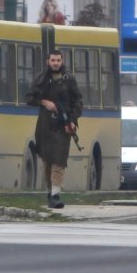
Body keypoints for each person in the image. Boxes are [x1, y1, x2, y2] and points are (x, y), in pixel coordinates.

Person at [26, 49, 82, 209]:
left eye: (58, 60)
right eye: (53, 60)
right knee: (47, 161)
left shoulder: (69, 80)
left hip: (63, 126)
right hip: (45, 126)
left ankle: (56, 194)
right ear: (48, 62)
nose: (56, 63)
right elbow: (30, 98)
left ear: (62, 61)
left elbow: (77, 102)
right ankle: (50, 192)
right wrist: (44, 103)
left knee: (59, 160)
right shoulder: (41, 79)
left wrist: (72, 121)